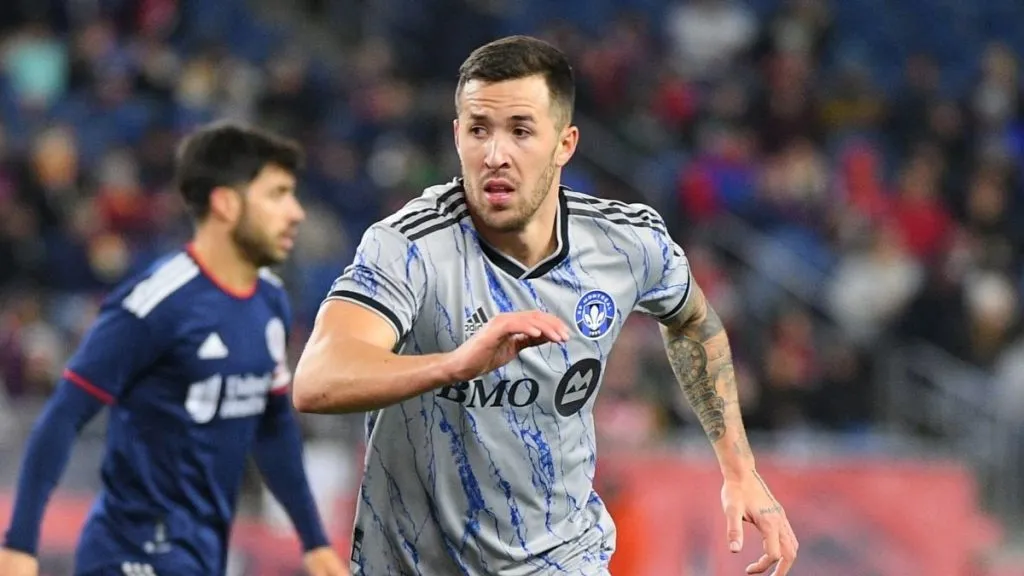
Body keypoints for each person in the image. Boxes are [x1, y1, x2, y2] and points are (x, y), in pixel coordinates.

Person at [293, 35, 798, 576]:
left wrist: (739, 469)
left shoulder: (625, 244)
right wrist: (453, 365)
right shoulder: (410, 246)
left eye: (521, 131)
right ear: (457, 134)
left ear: (565, 143)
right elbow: (317, 379)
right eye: (479, 129)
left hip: (561, 560)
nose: (495, 155)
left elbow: (692, 320)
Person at [0, 122, 348, 576]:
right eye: (278, 194)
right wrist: (20, 545)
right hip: (130, 555)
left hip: (203, 556)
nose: (296, 212)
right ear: (226, 203)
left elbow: (273, 427)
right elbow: (63, 415)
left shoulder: (271, 302)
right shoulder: (153, 304)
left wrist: (315, 542)